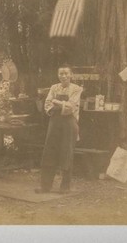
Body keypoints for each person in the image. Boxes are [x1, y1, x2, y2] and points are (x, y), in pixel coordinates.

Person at [35, 64, 82, 194]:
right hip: (54, 123)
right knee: (49, 151)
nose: (64, 76)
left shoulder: (76, 89)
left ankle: (65, 187)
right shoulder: (54, 87)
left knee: (67, 153)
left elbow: (71, 107)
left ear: (71, 75)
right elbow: (47, 105)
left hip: (69, 123)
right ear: (58, 75)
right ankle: (45, 186)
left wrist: (57, 103)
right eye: (61, 73)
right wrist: (59, 104)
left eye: (66, 73)